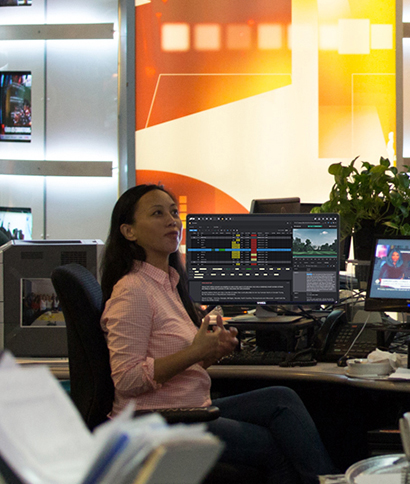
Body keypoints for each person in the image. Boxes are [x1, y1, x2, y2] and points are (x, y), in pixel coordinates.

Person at [100, 184, 336, 484]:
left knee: (283, 399)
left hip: (186, 408)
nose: (172, 220)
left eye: (174, 212)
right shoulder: (133, 291)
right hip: (158, 422)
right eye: (157, 213)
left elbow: (174, 363)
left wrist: (209, 352)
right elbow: (127, 378)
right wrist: (196, 352)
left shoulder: (168, 283)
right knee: (275, 447)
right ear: (129, 231)